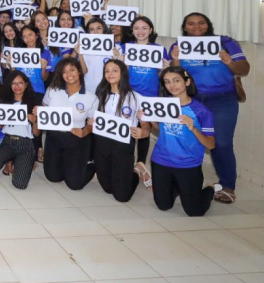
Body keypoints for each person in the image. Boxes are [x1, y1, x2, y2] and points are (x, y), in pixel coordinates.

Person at [169, 13, 249, 204]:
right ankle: (185, 182)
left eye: (201, 23)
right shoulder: (178, 46)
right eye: (191, 24)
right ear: (184, 27)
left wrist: (229, 62)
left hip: (222, 100)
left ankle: (228, 186)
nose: (196, 27)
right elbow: (173, 74)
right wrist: (176, 60)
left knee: (221, 143)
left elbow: (244, 69)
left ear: (208, 25)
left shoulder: (226, 43)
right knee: (186, 139)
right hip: (192, 100)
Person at [151, 66, 217, 217]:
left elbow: (211, 144)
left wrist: (193, 128)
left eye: (176, 81)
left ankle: (210, 189)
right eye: (167, 82)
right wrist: (148, 119)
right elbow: (160, 130)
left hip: (188, 164)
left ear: (187, 82)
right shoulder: (162, 104)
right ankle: (177, 185)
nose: (172, 85)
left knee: (195, 212)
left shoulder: (201, 111)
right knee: (163, 206)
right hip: (161, 161)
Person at [90, 60, 150, 202]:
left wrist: (144, 132)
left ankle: (136, 172)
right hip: (102, 143)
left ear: (123, 73)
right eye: (107, 71)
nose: (110, 74)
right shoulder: (99, 95)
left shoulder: (136, 97)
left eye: (114, 70)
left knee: (122, 196)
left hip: (123, 145)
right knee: (107, 188)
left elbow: (146, 125)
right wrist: (91, 122)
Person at [120, 15, 169, 187]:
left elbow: (163, 77)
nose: (140, 31)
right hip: (129, 95)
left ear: (151, 30)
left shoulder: (160, 50)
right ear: (132, 31)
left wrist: (165, 69)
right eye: (136, 28)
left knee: (144, 128)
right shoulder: (125, 48)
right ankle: (127, 163)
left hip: (150, 96)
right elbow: (121, 74)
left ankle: (140, 163)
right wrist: (121, 62)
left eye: (144, 28)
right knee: (129, 127)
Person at [42, 57, 98, 191]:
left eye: (72, 70)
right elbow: (44, 108)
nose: (68, 75)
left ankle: (93, 165)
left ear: (79, 71)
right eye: (64, 72)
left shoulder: (91, 97)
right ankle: (67, 163)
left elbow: (92, 123)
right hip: (54, 138)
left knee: (74, 184)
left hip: (76, 139)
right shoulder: (53, 90)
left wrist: (84, 131)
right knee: (53, 178)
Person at [0, 71, 43, 189]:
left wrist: (35, 121)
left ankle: (24, 161)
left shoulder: (35, 101)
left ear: (26, 84)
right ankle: (12, 160)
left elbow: (36, 133)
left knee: (20, 184)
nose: (17, 87)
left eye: (20, 83)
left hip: (26, 144)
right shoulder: (3, 100)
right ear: (9, 85)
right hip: (8, 142)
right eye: (13, 83)